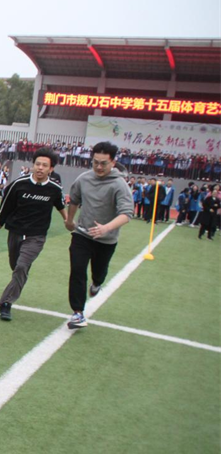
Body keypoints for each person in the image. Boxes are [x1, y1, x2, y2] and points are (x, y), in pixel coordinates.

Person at [0, 148, 67, 321]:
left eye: (44, 165)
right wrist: (0, 222)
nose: (40, 168)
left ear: (51, 169)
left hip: (37, 236)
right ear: (33, 165)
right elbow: (7, 205)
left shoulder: (54, 189)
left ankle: (6, 303)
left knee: (21, 266)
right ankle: (19, 278)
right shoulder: (19, 184)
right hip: (16, 232)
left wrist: (67, 220)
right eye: (37, 164)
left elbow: (60, 205)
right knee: (16, 266)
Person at [64, 141, 133, 329]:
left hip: (106, 240)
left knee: (99, 272)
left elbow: (127, 214)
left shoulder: (119, 185)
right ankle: (78, 313)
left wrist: (106, 228)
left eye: (104, 163)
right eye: (95, 162)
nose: (99, 167)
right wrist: (70, 220)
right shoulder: (84, 179)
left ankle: (97, 282)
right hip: (82, 234)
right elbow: (74, 199)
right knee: (77, 270)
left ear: (113, 162)